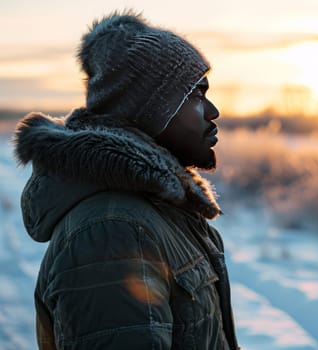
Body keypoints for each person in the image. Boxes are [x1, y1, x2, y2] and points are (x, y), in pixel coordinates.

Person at [13, 10, 239, 350]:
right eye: (196, 94)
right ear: (150, 109)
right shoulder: (111, 232)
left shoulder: (156, 209)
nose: (213, 112)